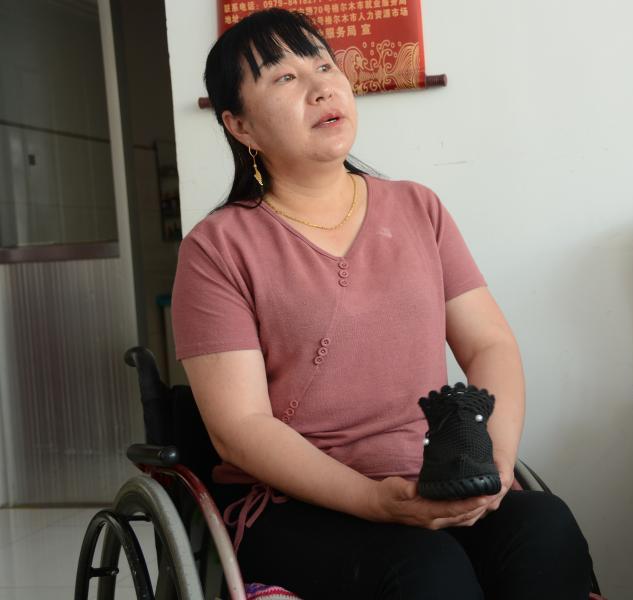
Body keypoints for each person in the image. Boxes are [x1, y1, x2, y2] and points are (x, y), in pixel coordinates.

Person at [171, 8, 594, 599]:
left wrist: (494, 464)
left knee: (545, 526)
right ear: (239, 125)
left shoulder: (418, 208)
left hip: (432, 475)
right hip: (297, 504)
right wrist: (374, 500)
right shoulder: (216, 248)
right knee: (427, 570)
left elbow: (489, 344)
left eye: (324, 66)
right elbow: (241, 428)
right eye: (284, 77)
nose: (321, 87)